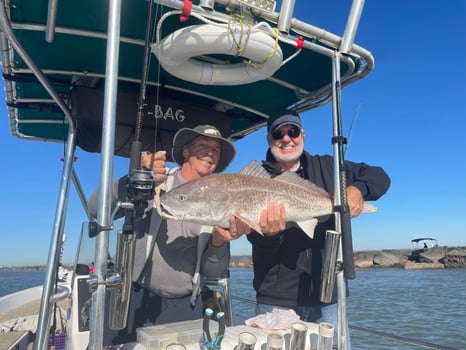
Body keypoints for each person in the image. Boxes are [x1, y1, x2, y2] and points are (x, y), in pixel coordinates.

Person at [88, 125, 250, 345]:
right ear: (186, 152)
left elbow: (213, 271)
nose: (211, 152)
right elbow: (95, 209)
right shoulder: (156, 179)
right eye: (203, 145)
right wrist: (132, 180)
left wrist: (220, 242)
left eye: (216, 150)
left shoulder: (224, 199)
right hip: (132, 294)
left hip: (185, 304)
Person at [246, 109, 391, 347]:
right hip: (277, 299)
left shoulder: (329, 167)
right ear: (269, 139)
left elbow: (380, 176)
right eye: (278, 134)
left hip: (329, 297)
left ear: (302, 135)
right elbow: (254, 237)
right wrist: (270, 235)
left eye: (292, 132)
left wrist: (356, 190)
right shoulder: (255, 181)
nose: (286, 139)